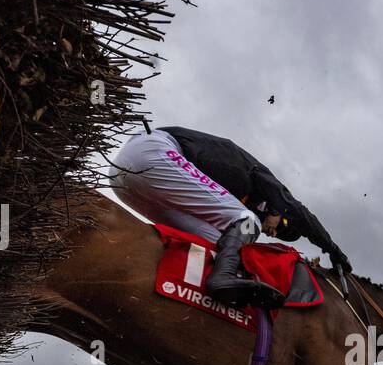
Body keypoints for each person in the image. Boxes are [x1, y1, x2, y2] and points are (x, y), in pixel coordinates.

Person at [109, 125, 350, 308]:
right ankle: (221, 280)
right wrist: (333, 250)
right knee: (247, 222)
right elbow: (298, 212)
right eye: (278, 228)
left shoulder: (239, 198)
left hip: (123, 183)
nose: (272, 233)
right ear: (277, 212)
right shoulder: (263, 179)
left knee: (219, 243)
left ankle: (180, 290)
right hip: (152, 150)